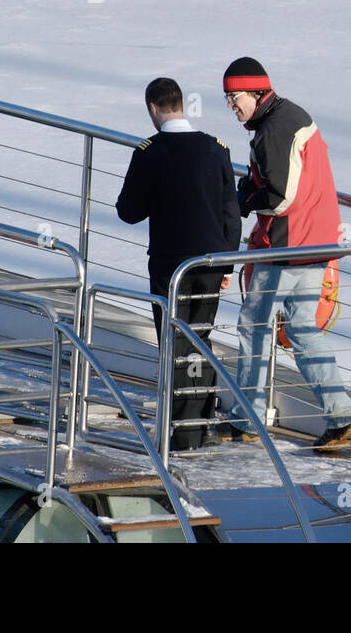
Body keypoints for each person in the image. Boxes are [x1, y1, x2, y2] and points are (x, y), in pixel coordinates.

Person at [222, 56, 351, 450]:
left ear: (257, 91)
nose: (232, 105)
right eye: (228, 99)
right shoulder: (290, 116)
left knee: (254, 327)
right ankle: (341, 416)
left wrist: (244, 199)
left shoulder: (275, 129)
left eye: (236, 97)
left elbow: (280, 195)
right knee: (302, 329)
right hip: (317, 243)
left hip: (285, 246)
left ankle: (247, 419)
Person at [116, 77, 241, 451]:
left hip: (170, 264)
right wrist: (227, 265)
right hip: (210, 261)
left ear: (153, 108)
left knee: (173, 342)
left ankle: (182, 431)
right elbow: (231, 214)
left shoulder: (151, 151)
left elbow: (128, 211)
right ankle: (198, 423)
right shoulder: (215, 149)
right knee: (199, 339)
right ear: (182, 105)